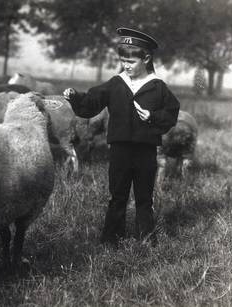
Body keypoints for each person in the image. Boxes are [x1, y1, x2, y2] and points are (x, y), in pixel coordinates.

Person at [63, 27, 180, 246]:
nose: (126, 65)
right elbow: (91, 103)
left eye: (131, 61)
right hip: (120, 150)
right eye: (123, 61)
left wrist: (152, 117)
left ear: (146, 58)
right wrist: (74, 97)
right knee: (117, 196)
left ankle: (146, 238)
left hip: (145, 150)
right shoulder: (116, 83)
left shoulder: (158, 87)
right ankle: (111, 239)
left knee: (144, 197)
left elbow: (172, 113)